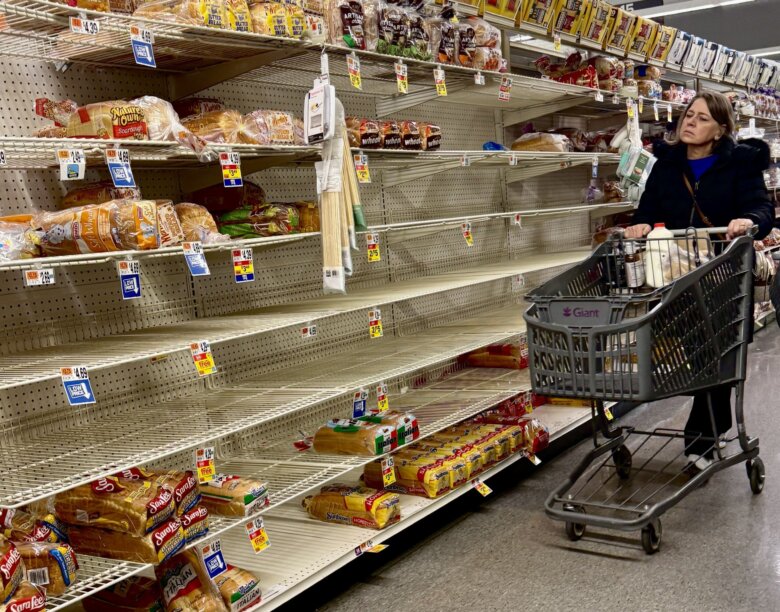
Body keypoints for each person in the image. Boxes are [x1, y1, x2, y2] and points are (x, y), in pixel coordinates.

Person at [624, 91, 775, 472]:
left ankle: (701, 440)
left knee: (715, 353)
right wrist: (640, 225)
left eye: (702, 117)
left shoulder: (741, 164)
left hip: (724, 272)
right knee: (699, 354)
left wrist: (749, 222)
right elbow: (647, 211)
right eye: (688, 114)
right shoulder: (666, 166)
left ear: (722, 128)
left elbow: (761, 208)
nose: (689, 122)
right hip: (675, 273)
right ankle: (716, 427)